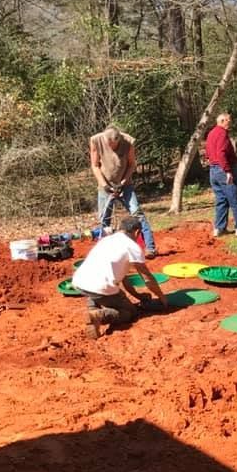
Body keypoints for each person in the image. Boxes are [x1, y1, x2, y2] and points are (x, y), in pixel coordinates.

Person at [73, 216, 168, 340]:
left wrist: (138, 296)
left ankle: (92, 308)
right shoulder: (133, 247)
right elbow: (147, 278)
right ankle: (101, 315)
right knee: (130, 313)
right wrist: (162, 298)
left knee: (99, 285)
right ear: (137, 232)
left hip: (80, 282)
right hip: (100, 288)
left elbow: (124, 279)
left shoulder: (106, 240)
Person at [89, 126, 157, 258]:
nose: (112, 148)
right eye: (110, 145)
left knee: (137, 213)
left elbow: (132, 164)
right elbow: (95, 165)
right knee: (104, 219)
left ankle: (150, 248)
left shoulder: (128, 141)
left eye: (114, 145)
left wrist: (123, 182)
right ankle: (104, 252)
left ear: (119, 139)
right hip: (105, 186)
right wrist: (104, 184)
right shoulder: (96, 140)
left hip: (125, 185)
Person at [204, 111, 237, 238]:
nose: (230, 123)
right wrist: (227, 171)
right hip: (223, 170)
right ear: (222, 121)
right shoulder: (222, 133)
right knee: (235, 198)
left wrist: (213, 163)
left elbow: (208, 153)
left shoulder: (211, 133)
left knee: (221, 200)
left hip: (213, 170)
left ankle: (219, 228)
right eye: (228, 121)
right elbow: (221, 153)